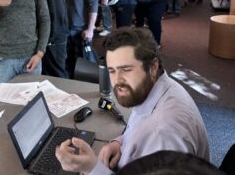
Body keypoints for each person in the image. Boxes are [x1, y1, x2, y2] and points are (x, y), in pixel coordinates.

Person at [55, 27, 209, 174]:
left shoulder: (163, 135)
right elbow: (138, 126)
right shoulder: (156, 88)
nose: (117, 81)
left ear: (153, 67)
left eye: (126, 70)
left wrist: (90, 168)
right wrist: (120, 143)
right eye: (112, 71)